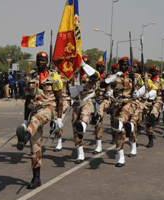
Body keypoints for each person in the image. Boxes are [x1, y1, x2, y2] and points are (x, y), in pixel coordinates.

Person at [16, 52, 63, 189]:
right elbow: (27, 100)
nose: (40, 62)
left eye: (43, 60)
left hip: (48, 109)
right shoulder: (31, 77)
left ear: (47, 61)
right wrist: (25, 121)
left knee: (36, 119)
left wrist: (59, 118)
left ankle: (24, 137)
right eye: (38, 60)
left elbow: (59, 98)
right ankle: (36, 178)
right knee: (35, 147)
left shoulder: (54, 76)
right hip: (34, 111)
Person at [102, 57, 145, 167]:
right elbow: (104, 85)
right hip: (117, 104)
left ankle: (133, 146)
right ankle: (121, 157)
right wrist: (109, 91)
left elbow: (144, 88)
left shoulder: (135, 76)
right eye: (122, 64)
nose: (124, 66)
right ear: (119, 65)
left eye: (126, 64)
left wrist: (138, 93)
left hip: (130, 103)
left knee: (123, 120)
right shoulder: (115, 77)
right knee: (119, 131)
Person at [71, 55, 100, 164]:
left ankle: (83, 124)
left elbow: (96, 75)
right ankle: (80, 153)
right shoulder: (74, 76)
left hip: (88, 100)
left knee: (85, 113)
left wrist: (84, 65)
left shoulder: (91, 74)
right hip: (77, 103)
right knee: (75, 127)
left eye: (85, 63)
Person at [91, 61, 112, 154]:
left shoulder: (108, 78)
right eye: (98, 67)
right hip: (95, 100)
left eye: (102, 67)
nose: (100, 68)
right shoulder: (93, 77)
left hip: (105, 100)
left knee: (100, 118)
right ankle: (98, 146)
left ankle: (98, 115)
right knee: (98, 125)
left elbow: (110, 91)